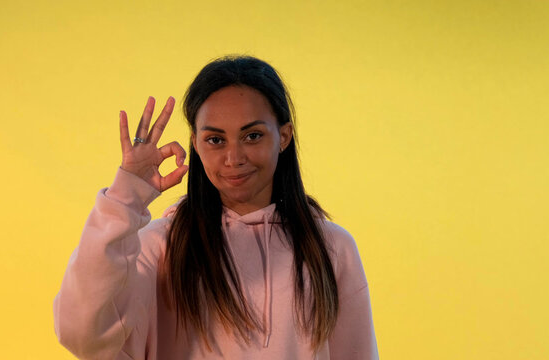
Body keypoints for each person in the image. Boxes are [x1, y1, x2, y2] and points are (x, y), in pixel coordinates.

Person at [53, 55, 379, 360]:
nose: (234, 158)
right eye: (216, 140)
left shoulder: (331, 248)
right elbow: (81, 334)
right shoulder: (161, 247)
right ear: (195, 143)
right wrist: (125, 196)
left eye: (252, 136)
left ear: (283, 136)